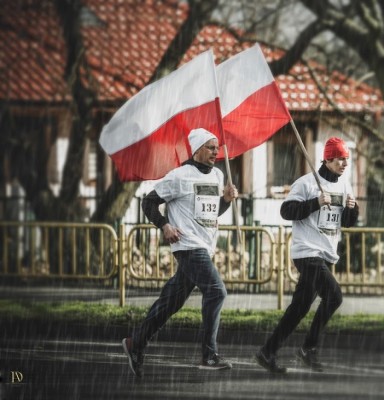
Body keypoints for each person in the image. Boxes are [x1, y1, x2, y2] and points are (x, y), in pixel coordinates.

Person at [122, 128, 238, 377]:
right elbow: (148, 202)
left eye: (217, 147)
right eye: (210, 147)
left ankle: (135, 343)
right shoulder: (179, 176)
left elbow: (210, 213)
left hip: (204, 246)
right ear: (196, 149)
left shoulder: (218, 175)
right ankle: (209, 355)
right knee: (216, 291)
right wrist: (164, 225)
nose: (216, 151)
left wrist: (226, 200)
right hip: (187, 245)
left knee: (171, 301)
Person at [254, 136, 359, 373]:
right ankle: (308, 348)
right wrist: (315, 202)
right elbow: (286, 211)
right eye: (341, 159)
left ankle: (267, 352)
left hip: (326, 253)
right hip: (307, 252)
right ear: (328, 158)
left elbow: (347, 223)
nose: (345, 164)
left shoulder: (343, 185)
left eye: (346, 160)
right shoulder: (306, 183)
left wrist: (353, 210)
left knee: (299, 308)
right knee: (334, 296)